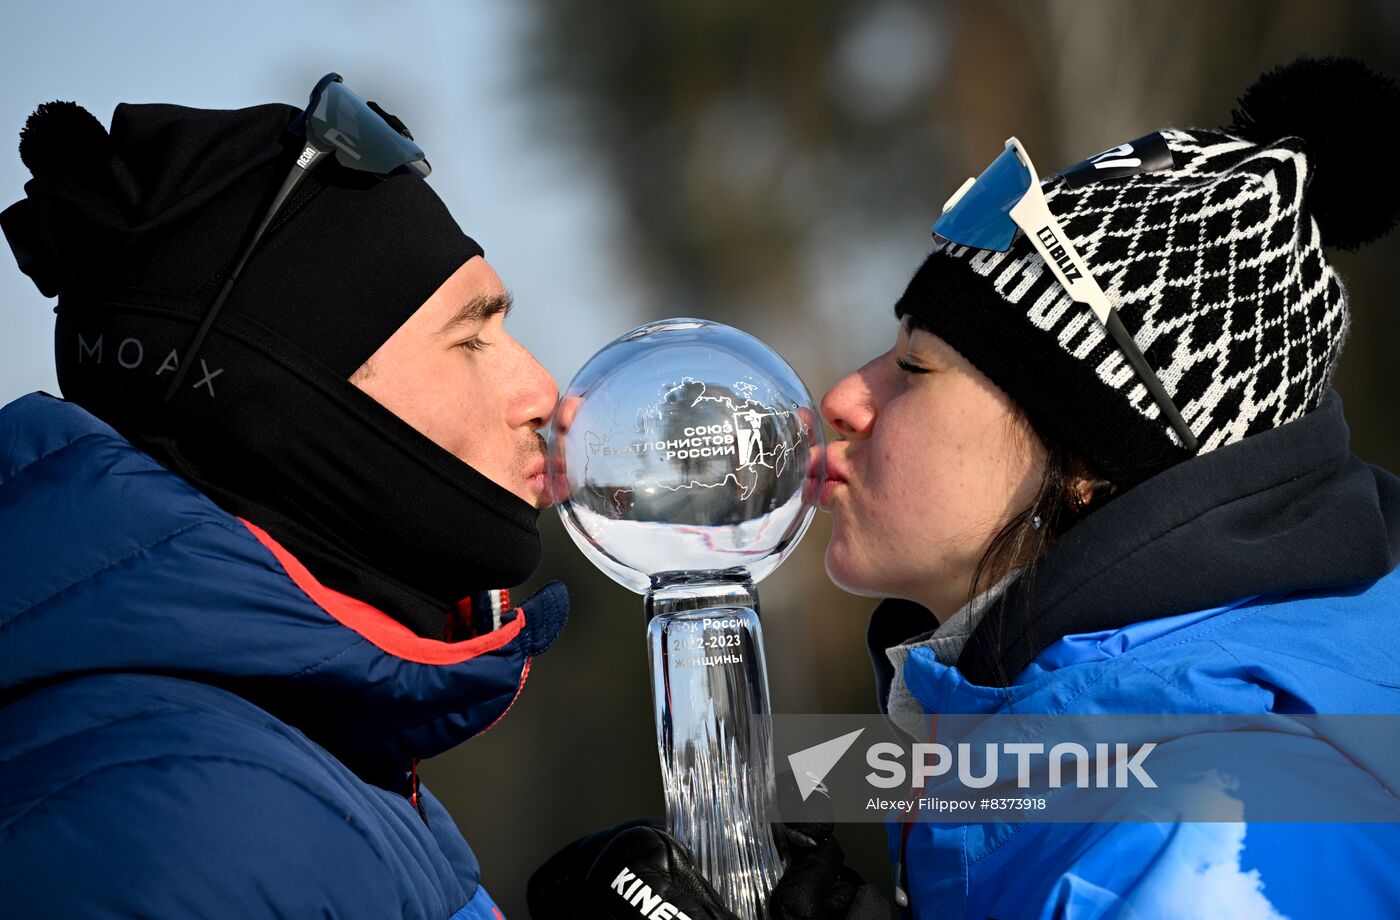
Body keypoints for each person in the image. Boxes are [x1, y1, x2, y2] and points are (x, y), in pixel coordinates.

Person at [529, 55, 1400, 920]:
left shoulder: (1223, 826)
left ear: (1091, 459)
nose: (841, 399)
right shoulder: (1063, 750)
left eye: (914, 367)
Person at [0, 76, 566, 917]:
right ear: (287, 406)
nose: (542, 388)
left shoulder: (320, 762)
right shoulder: (190, 831)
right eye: (471, 336)